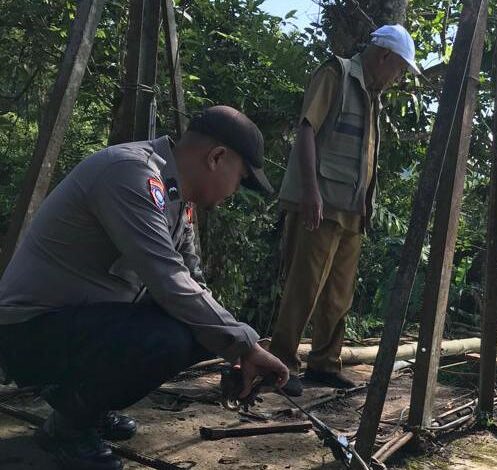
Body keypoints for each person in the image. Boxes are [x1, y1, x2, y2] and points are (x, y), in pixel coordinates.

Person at [0, 106, 289, 470]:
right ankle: (70, 426)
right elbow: (169, 282)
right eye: (241, 179)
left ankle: (84, 404)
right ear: (217, 157)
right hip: (27, 332)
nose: (236, 191)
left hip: (78, 324)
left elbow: (193, 283)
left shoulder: (178, 201)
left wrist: (238, 346)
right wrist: (245, 345)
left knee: (199, 330)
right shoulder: (131, 174)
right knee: (170, 337)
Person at [271, 25, 420, 397]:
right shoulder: (335, 74)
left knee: (339, 293)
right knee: (304, 285)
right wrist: (310, 192)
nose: (398, 77)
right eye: (399, 69)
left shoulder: (373, 96)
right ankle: (283, 362)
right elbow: (307, 130)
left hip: (354, 210)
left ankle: (324, 362)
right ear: (384, 56)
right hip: (320, 203)